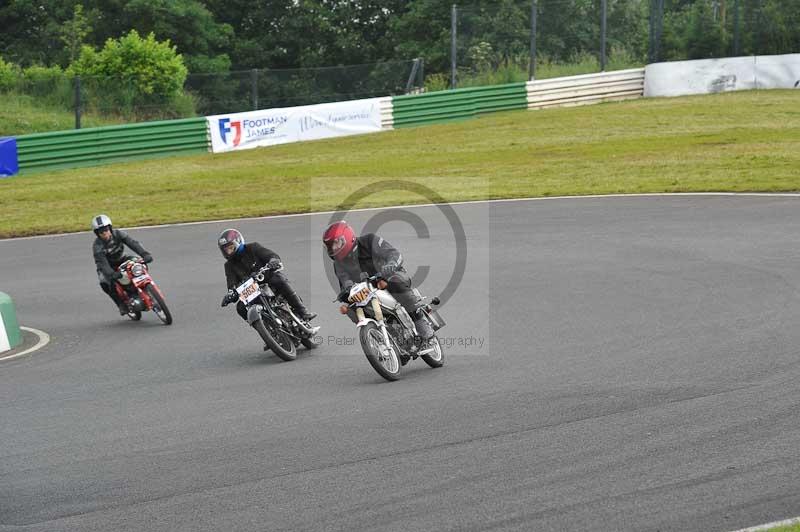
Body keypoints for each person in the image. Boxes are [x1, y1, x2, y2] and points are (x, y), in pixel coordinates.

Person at [322, 220, 433, 339]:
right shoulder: (338, 264)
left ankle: (420, 321)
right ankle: (380, 335)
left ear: (347, 236)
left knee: (393, 281)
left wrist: (390, 265)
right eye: (330, 246)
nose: (333, 248)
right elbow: (345, 282)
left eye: (336, 243)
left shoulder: (369, 241)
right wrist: (346, 291)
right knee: (350, 307)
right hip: (367, 290)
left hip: (389, 276)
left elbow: (394, 254)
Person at [218, 228, 317, 322]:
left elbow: (270, 255)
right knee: (240, 307)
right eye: (226, 250)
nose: (229, 251)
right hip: (251, 291)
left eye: (230, 248)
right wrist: (230, 294)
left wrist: (273, 261)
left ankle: (303, 312)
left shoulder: (253, 247)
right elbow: (231, 284)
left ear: (238, 242)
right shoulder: (229, 266)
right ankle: (264, 327)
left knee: (278, 279)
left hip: (267, 279)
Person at [91, 214, 153, 315]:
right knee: (104, 282)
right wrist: (111, 274)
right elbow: (102, 262)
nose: (105, 233)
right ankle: (120, 304)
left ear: (110, 228)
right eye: (101, 232)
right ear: (97, 233)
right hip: (107, 266)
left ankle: (144, 284)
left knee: (138, 262)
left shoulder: (119, 234)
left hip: (121, 259)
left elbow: (132, 243)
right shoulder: (97, 246)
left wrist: (144, 254)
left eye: (106, 230)